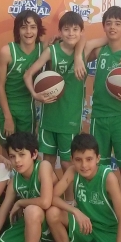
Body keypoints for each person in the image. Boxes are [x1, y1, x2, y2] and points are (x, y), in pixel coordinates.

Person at [77, 6, 121, 236]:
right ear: (104, 26)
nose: (113, 27)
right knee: (101, 168)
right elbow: (83, 46)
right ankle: (104, 213)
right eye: (109, 23)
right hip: (98, 117)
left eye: (118, 23)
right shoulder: (100, 52)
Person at [42, 134, 121, 242]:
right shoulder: (72, 171)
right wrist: (75, 211)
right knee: (52, 213)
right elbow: (51, 197)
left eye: (89, 159)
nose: (84, 165)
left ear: (98, 158)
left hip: (108, 230)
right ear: (72, 160)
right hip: (85, 224)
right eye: (78, 160)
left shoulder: (108, 178)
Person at [23, 12, 86, 194]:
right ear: (60, 31)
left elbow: (102, 39)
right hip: (49, 118)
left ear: (81, 31)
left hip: (70, 118)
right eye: (66, 29)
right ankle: (48, 199)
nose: (71, 33)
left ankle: (70, 200)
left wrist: (78, 57)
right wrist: (35, 95)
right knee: (47, 163)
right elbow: (28, 74)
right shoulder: (51, 51)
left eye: (75, 29)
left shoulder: (84, 51)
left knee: (68, 163)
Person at [0, 11, 45, 145]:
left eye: (33, 27)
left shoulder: (43, 49)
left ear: (38, 29)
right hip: (8, 108)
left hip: (28, 109)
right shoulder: (7, 51)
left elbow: (71, 41)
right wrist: (8, 118)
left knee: (26, 150)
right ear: (17, 30)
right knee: (7, 149)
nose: (28, 32)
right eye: (24, 27)